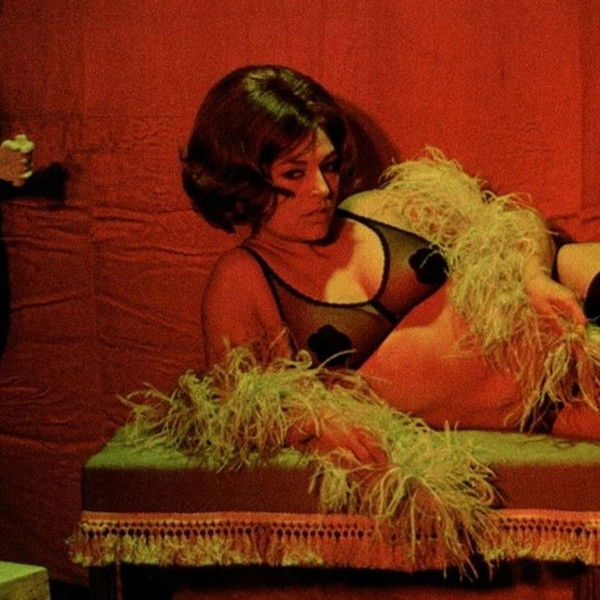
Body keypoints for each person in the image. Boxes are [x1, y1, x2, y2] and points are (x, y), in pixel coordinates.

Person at [181, 65, 600, 457]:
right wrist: (311, 423)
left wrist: (532, 275)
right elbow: (237, 407)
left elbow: (512, 221)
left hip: (568, 304)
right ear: (243, 179)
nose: (323, 189)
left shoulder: (374, 209)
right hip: (548, 402)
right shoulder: (243, 278)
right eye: (294, 173)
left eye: (328, 166)